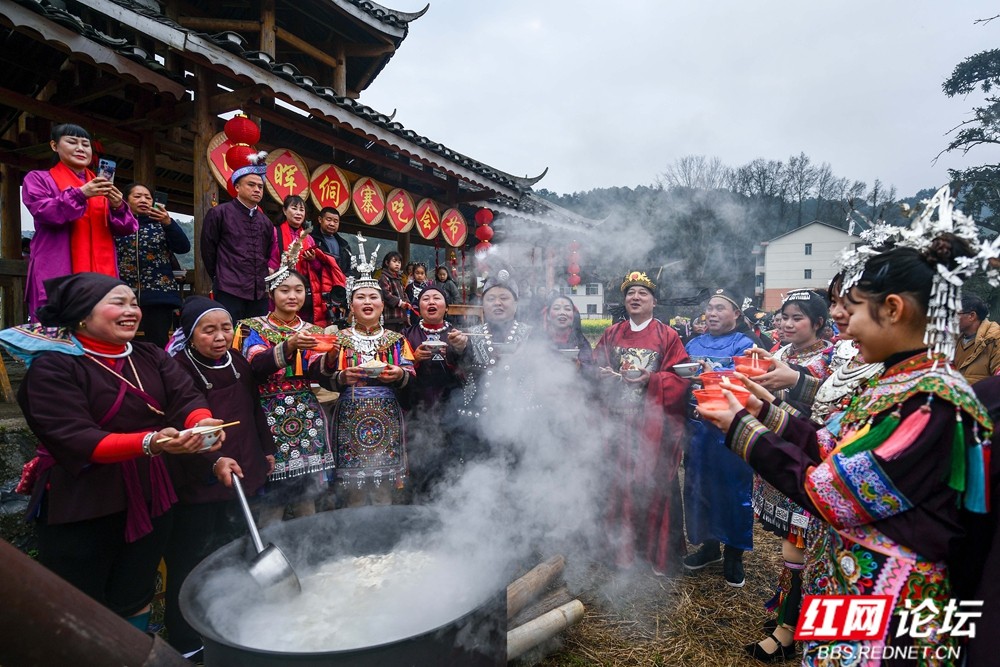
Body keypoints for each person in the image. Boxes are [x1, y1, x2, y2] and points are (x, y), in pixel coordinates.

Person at [699, 191, 994, 664]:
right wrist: (762, 411)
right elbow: (830, 443)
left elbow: (831, 493)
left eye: (852, 311)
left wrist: (740, 428)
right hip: (850, 581)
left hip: (888, 602)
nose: (845, 326)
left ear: (893, 309)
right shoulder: (900, 382)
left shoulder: (930, 401)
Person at [0, 273, 222, 632]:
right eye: (118, 303)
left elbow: (185, 396)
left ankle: (134, 651)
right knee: (79, 602)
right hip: (85, 500)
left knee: (135, 589)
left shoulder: (150, 355)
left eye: (133, 302)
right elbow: (75, 437)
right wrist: (150, 442)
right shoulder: (54, 366)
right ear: (81, 314)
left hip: (151, 493)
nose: (131, 310)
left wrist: (202, 423)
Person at [162, 296, 276, 658]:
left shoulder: (238, 361)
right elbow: (180, 424)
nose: (220, 337)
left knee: (238, 546)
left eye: (226, 328)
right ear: (190, 334)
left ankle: (236, 620)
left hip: (246, 462)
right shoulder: (178, 369)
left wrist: (267, 448)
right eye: (208, 330)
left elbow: (255, 408)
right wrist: (212, 461)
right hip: (199, 473)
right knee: (193, 556)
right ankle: (186, 638)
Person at [741, 289, 834, 661]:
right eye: (784, 317)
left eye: (798, 318)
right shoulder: (778, 353)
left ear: (819, 323)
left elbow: (825, 411)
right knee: (791, 549)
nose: (787, 324)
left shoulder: (833, 358)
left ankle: (788, 631)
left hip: (806, 461)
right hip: (777, 460)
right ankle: (787, 611)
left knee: (799, 550)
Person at [593, 271, 690, 575]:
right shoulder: (612, 333)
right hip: (617, 422)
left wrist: (652, 379)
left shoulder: (667, 336)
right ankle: (620, 552)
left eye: (642, 293)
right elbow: (596, 366)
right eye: (630, 293)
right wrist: (601, 374)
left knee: (654, 484)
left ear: (654, 301)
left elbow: (680, 379)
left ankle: (654, 555)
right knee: (618, 484)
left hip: (652, 426)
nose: (635, 297)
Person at [235, 269, 338, 526]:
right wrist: (290, 346)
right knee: (273, 499)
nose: (292, 296)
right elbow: (256, 364)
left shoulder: (312, 330)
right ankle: (271, 546)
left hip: (306, 415)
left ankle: (309, 546)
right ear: (271, 294)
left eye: (299, 290)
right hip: (267, 416)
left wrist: (331, 357)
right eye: (285, 290)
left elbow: (319, 373)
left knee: (306, 495)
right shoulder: (250, 327)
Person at [330, 234, 416, 506]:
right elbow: (324, 375)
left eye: (373, 297)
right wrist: (341, 377)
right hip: (349, 414)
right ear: (351, 305)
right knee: (353, 490)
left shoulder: (396, 340)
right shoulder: (337, 338)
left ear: (382, 304)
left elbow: (410, 371)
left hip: (387, 413)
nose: (367, 302)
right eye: (360, 297)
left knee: (384, 488)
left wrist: (399, 374)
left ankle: (384, 530)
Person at [22, 124, 137, 320]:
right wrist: (81, 194)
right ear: (54, 146)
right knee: (55, 333)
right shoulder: (38, 179)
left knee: (99, 328)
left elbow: (127, 228)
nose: (80, 149)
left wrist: (118, 206)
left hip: (100, 276)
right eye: (72, 142)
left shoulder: (100, 186)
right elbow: (45, 212)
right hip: (57, 270)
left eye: (86, 144)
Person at [683, 288, 757, 587]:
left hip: (729, 430)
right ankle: (709, 546)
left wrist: (712, 373)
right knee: (699, 487)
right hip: (697, 429)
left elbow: (747, 383)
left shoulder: (744, 344)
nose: (711, 313)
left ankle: (734, 554)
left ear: (736, 313)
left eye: (720, 308)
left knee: (733, 490)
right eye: (709, 308)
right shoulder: (693, 343)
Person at [401, 285, 464, 499]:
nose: (431, 302)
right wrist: (414, 360)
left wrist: (456, 354)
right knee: (419, 461)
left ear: (446, 307)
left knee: (449, 463)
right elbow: (399, 372)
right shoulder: (406, 335)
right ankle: (418, 504)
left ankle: (449, 504)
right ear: (418, 306)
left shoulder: (458, 335)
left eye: (436, 298)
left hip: (451, 408)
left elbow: (468, 371)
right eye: (425, 298)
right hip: (417, 407)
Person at [114, 183, 190, 347]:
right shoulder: (117, 223)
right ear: (125, 200)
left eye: (148, 197)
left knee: (157, 342)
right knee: (122, 341)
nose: (143, 200)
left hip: (159, 295)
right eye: (137, 196)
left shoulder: (162, 224)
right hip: (124, 293)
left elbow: (183, 247)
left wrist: (168, 223)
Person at [200, 160, 274, 321]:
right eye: (251, 185)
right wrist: (221, 275)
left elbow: (266, 254)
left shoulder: (266, 222)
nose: (257, 189)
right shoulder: (219, 213)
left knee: (256, 334)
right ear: (237, 187)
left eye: (260, 187)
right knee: (229, 331)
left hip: (259, 291)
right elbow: (208, 250)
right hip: (228, 288)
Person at [268, 195, 346, 328]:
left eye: (301, 210)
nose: (298, 213)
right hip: (279, 286)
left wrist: (313, 260)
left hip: (301, 289)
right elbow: (266, 258)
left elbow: (318, 270)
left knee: (300, 326)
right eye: (294, 208)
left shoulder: (309, 239)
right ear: (285, 210)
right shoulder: (274, 232)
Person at [954, 293, 1000, 383]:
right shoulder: (953, 340)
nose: (950, 319)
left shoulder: (995, 339)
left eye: (954, 314)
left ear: (972, 316)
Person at [542, 293, 595, 372]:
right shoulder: (538, 340)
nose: (562, 312)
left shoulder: (581, 342)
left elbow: (592, 371)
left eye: (567, 309)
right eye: (556, 308)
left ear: (573, 316)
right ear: (548, 316)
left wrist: (579, 367)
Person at [311, 207, 352, 277]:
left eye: (336, 221)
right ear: (320, 219)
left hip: (339, 281)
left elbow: (349, 269)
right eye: (328, 220)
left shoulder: (344, 245)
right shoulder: (311, 239)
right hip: (317, 280)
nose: (332, 224)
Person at [378, 251, 409, 332]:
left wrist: (407, 302)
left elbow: (403, 293)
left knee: (402, 338)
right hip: (390, 317)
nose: (397, 264)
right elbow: (385, 294)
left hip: (401, 317)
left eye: (399, 262)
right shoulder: (384, 277)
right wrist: (400, 302)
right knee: (389, 338)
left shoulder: (399, 278)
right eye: (394, 261)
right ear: (387, 263)